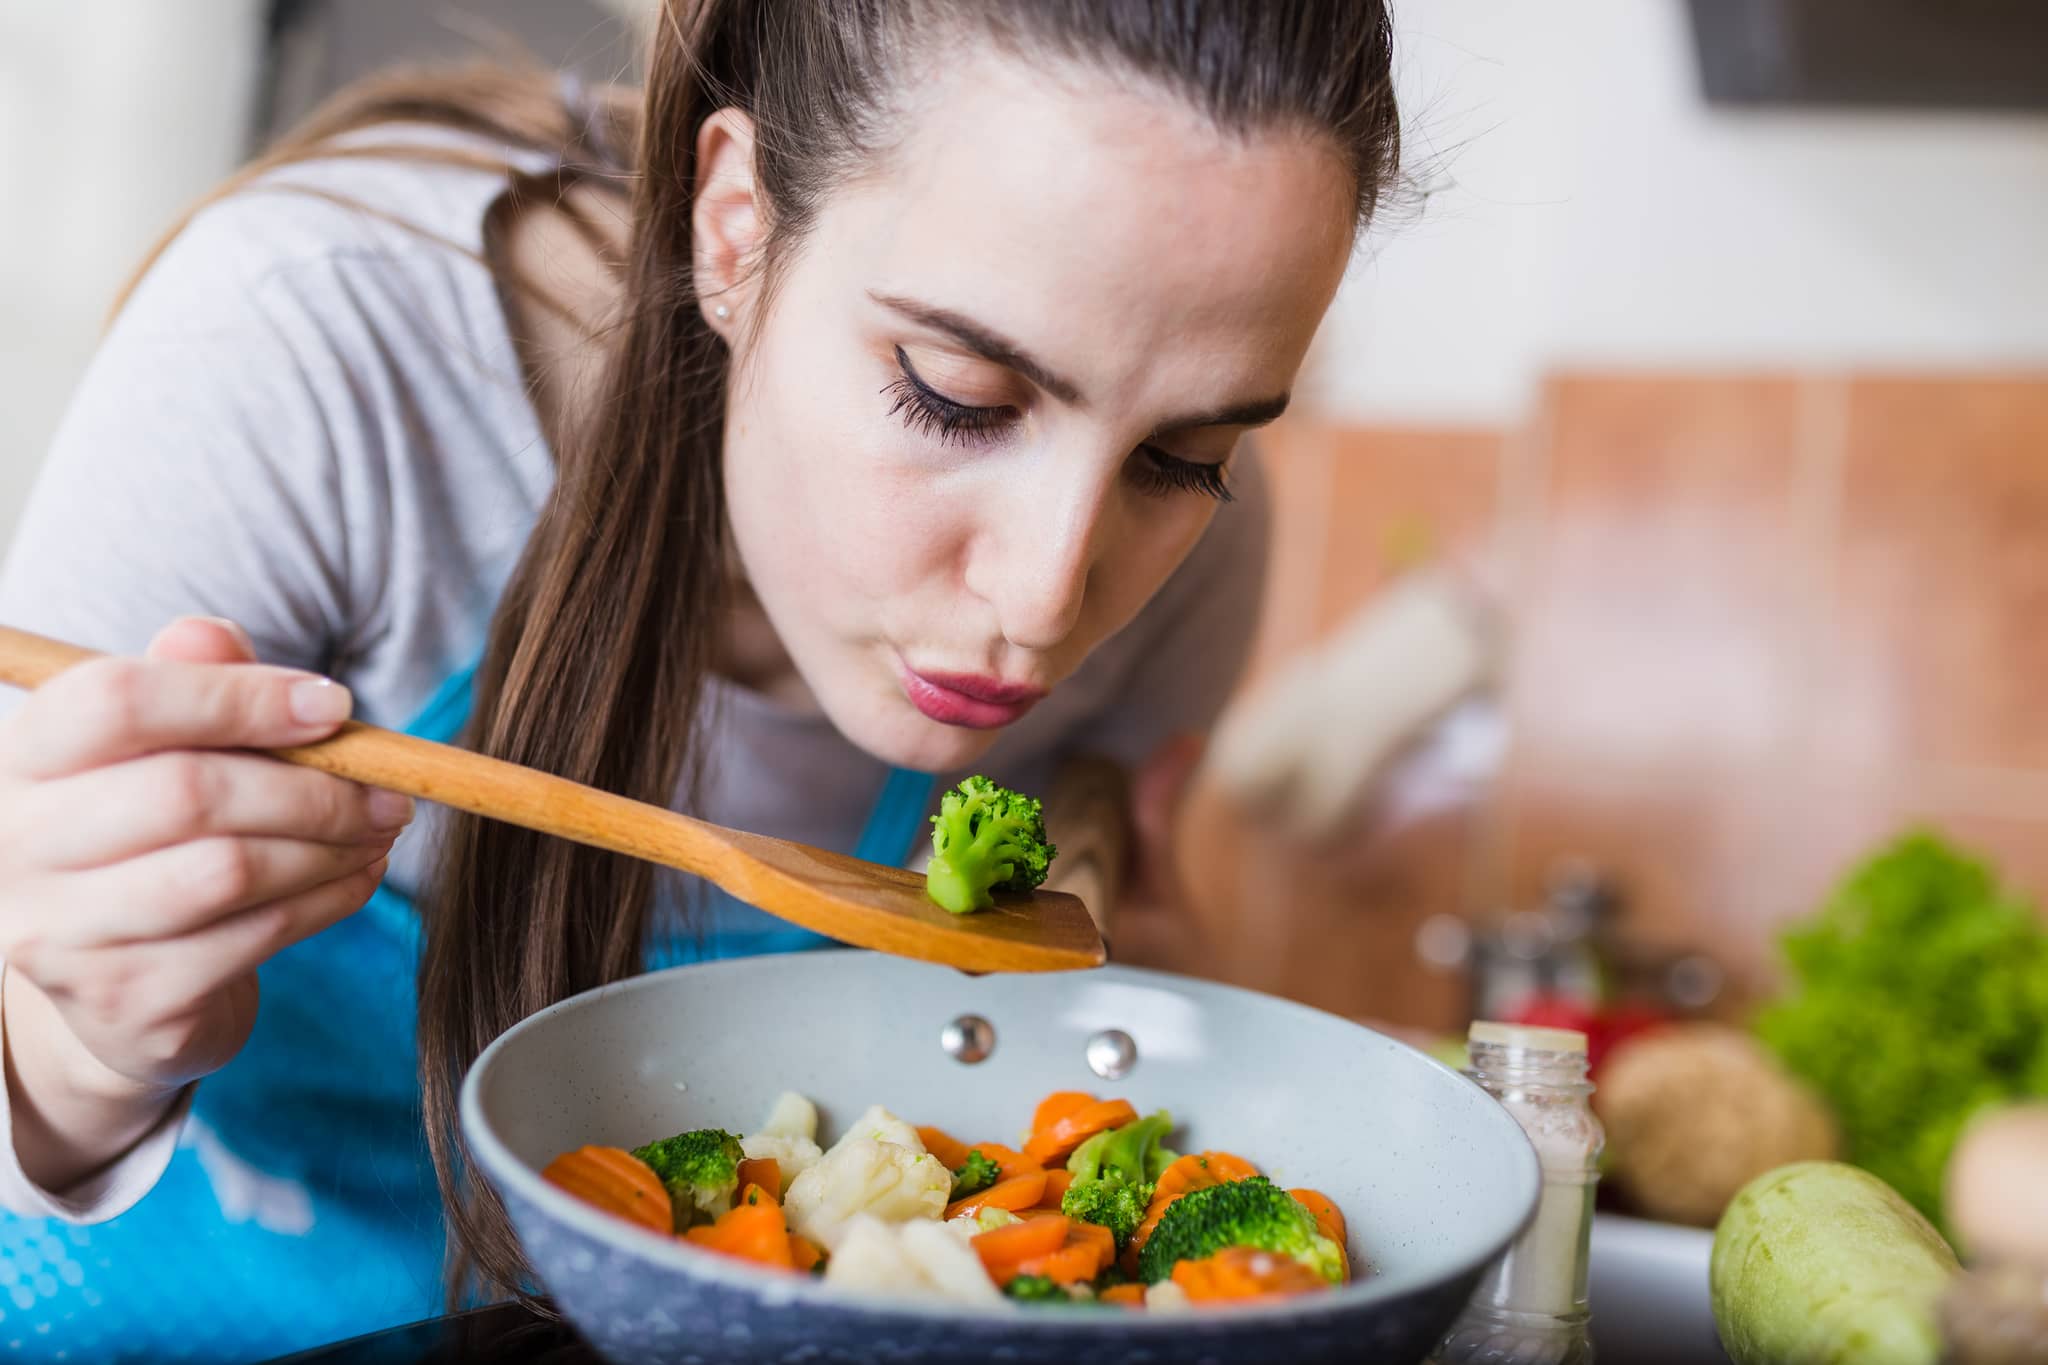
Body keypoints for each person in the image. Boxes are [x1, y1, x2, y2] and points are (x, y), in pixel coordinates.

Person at [0, 1, 1400, 1358]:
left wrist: (1164, 1014)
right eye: (954, 391)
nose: (1046, 596)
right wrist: (74, 1055)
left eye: (1184, 456)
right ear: (733, 224)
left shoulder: (1200, 567)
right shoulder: (315, 345)